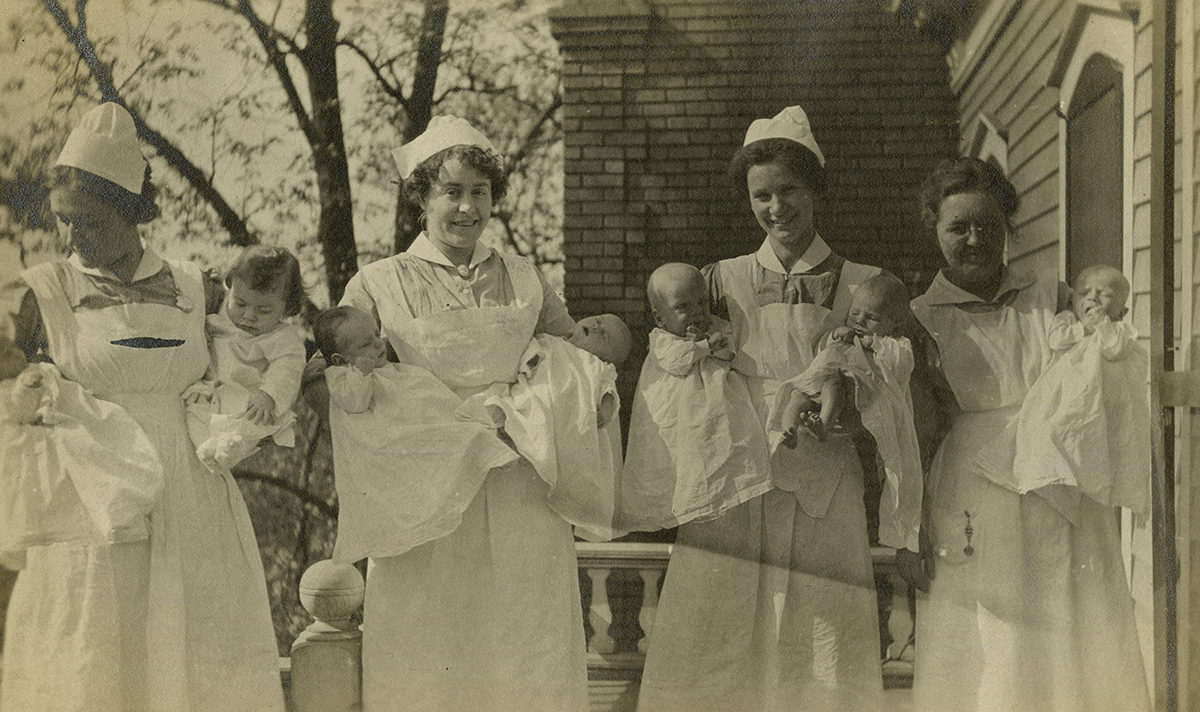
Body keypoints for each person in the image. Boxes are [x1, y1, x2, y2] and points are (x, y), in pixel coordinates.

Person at [1, 102, 283, 711]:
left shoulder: (195, 285)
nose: (73, 238)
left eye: (91, 223)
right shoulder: (42, 292)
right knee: (95, 651)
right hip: (91, 499)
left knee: (194, 649)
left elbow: (268, 354)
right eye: (63, 222)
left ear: (131, 214)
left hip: (188, 490)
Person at [329, 115, 588, 711]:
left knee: (524, 639)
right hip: (424, 490)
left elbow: (573, 356)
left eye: (480, 192)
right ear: (422, 196)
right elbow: (338, 376)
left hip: (517, 475)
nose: (467, 208)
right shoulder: (376, 283)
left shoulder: (524, 278)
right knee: (429, 642)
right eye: (452, 191)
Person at [636, 106, 884, 712]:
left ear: (816, 189)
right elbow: (670, 363)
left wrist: (844, 392)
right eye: (762, 195)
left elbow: (888, 388)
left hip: (821, 472)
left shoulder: (863, 283)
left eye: (790, 190)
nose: (777, 208)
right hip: (735, 477)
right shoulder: (714, 281)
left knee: (820, 635)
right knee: (716, 634)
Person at [905, 156, 1150, 712]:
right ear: (934, 228)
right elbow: (917, 428)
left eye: (988, 226)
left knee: (1072, 625)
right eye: (958, 228)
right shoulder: (922, 315)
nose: (975, 239)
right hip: (971, 485)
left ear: (1007, 227)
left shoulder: (1051, 294)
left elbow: (1099, 363)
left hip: (1059, 475)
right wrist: (911, 520)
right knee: (989, 641)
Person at [311, 305, 519, 564]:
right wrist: (361, 375)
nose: (378, 345)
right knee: (441, 441)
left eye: (377, 335)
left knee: (440, 412)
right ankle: (482, 447)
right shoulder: (341, 376)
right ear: (341, 360)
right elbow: (355, 402)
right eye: (367, 344)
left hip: (406, 411)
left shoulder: (385, 366)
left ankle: (481, 438)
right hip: (389, 432)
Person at [971, 263, 1150, 513]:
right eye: (1083, 292)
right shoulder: (1066, 320)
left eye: (1105, 294)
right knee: (1052, 429)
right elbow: (1056, 339)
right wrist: (1084, 328)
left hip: (1098, 401)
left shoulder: (1120, 330)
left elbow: (1115, 348)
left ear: (1122, 310)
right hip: (1066, 395)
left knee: (1092, 440)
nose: (1092, 298)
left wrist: (1101, 325)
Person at [771, 270, 924, 551]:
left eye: (872, 317)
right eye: (855, 313)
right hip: (825, 385)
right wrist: (833, 336)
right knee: (797, 395)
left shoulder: (896, 344)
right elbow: (821, 350)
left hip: (857, 396)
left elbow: (901, 364)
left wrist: (873, 343)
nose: (859, 321)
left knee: (833, 389)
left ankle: (824, 424)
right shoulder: (848, 334)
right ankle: (789, 427)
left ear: (893, 323)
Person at [619, 261, 772, 533]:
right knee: (685, 460)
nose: (696, 313)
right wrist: (704, 345)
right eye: (682, 307)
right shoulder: (662, 340)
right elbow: (678, 360)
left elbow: (729, 354)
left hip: (716, 406)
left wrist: (714, 343)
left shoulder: (716, 327)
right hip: (679, 414)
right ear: (660, 318)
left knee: (723, 443)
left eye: (701, 303)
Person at [467, 312, 631, 542]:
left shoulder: (597, 365)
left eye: (604, 335)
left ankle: (518, 444)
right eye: (599, 320)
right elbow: (531, 353)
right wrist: (529, 364)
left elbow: (608, 389)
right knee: (522, 408)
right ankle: (507, 435)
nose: (596, 326)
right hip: (540, 392)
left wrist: (606, 407)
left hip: (567, 413)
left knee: (548, 436)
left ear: (606, 355)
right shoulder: (551, 341)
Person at [184, 244, 306, 472]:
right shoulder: (219, 310)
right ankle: (207, 450)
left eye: (264, 311)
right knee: (193, 414)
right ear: (230, 286)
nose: (249, 315)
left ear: (286, 308)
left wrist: (269, 395)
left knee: (252, 422)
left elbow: (287, 369)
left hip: (249, 396)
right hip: (209, 392)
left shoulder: (283, 338)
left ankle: (230, 450)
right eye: (240, 303)